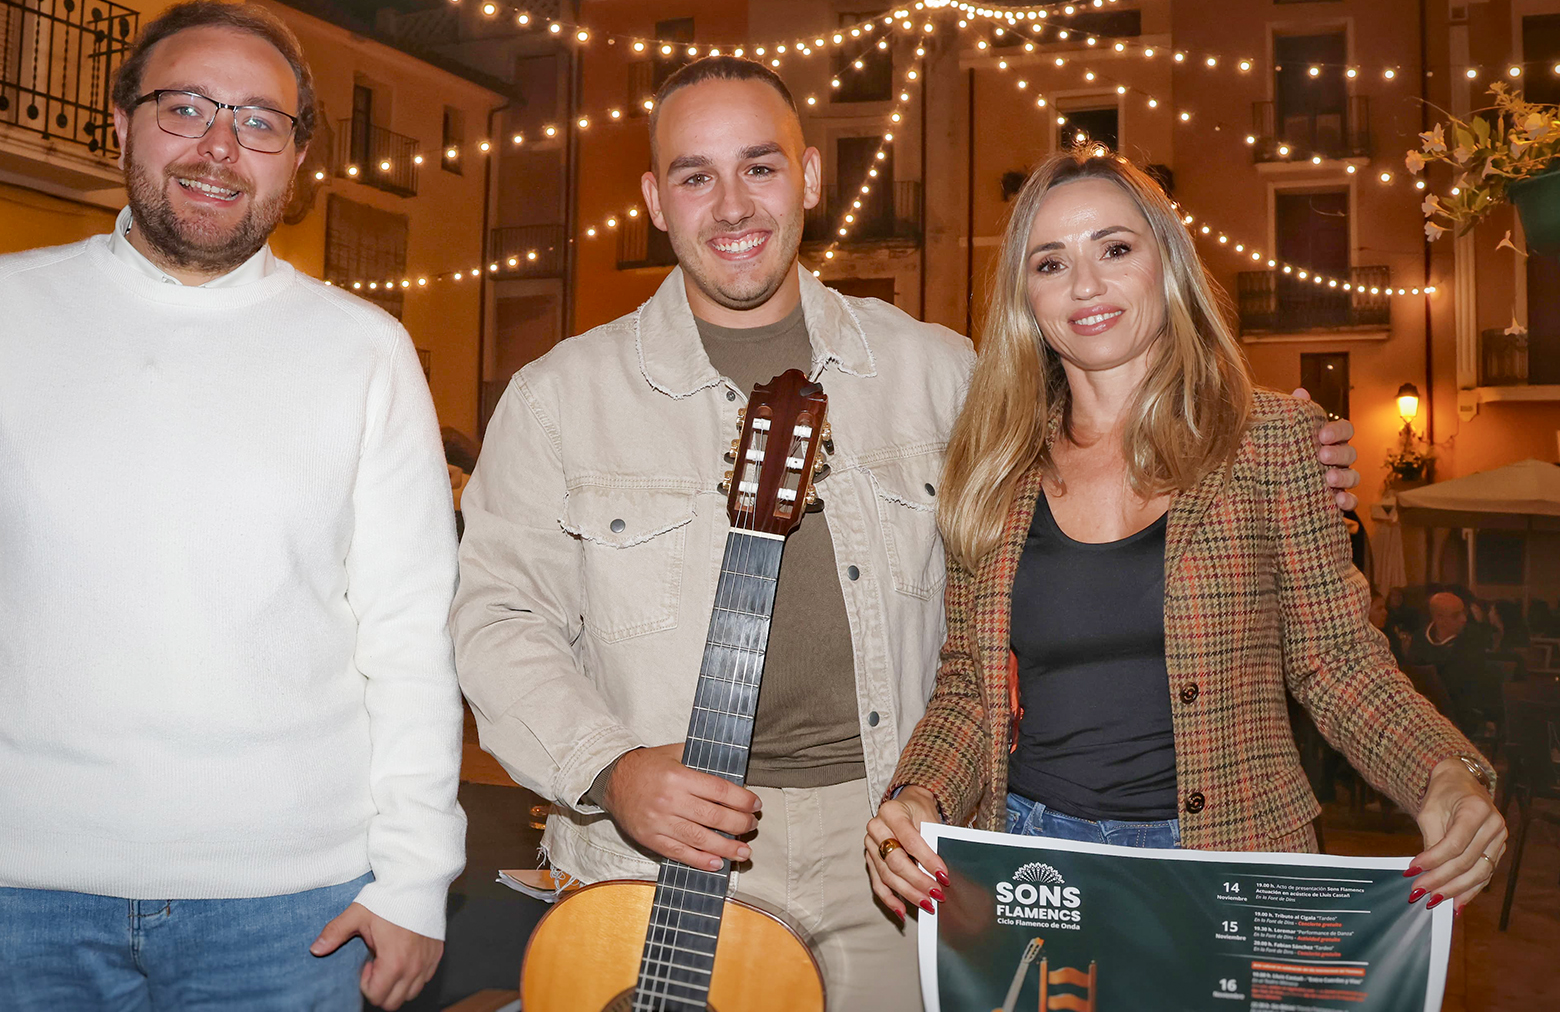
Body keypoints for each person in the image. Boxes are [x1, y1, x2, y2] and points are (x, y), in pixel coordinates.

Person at [451, 61, 1361, 1012]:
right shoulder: (559, 398)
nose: (731, 206)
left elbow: (1111, 426)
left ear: (808, 178)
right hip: (656, 858)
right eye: (694, 176)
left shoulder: (939, 374)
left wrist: (1273, 442)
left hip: (892, 848)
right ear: (654, 200)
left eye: (759, 168)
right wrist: (612, 768)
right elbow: (497, 621)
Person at [0, 0, 461, 1012]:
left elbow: (411, 638)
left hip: (292, 912)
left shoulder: (364, 350)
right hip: (4, 904)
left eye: (259, 121)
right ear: (120, 123)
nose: (219, 146)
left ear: (295, 162)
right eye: (186, 107)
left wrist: (417, 874)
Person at [865, 149, 1504, 931]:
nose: (1086, 285)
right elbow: (970, 688)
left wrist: (1444, 770)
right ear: (1026, 298)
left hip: (1233, 860)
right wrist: (918, 794)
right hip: (1038, 865)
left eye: (1116, 249)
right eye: (1051, 263)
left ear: (1166, 264)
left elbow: (1336, 660)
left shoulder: (1268, 440)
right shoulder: (993, 468)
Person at [1408, 592, 1492, 730]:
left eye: (1464, 613)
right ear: (1439, 618)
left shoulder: (1472, 639)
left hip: (1463, 713)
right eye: (1456, 615)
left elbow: (1472, 685)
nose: (1464, 619)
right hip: (1426, 712)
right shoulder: (1419, 639)